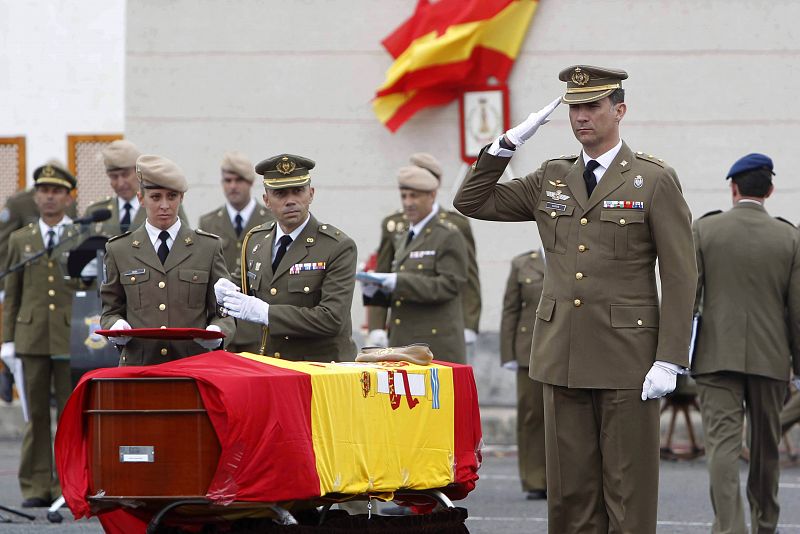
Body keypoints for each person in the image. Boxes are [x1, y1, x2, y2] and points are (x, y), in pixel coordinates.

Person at [453, 65, 696, 533]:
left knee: (627, 495)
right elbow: (471, 201)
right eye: (574, 108)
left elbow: (681, 274)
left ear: (619, 110)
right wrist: (507, 144)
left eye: (592, 106)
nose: (581, 116)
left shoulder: (652, 179)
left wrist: (670, 357)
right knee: (570, 498)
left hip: (627, 359)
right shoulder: (553, 176)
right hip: (561, 353)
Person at [691, 153, 800, 534]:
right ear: (770, 190)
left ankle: (730, 528)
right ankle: (765, 523)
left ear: (733, 188)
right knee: (766, 448)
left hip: (715, 357)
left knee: (721, 447)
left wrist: (676, 356)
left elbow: (688, 298)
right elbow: (797, 312)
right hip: (771, 359)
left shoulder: (705, 230)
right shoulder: (790, 237)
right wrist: (798, 367)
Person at [216, 154, 357, 362]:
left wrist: (266, 313)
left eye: (298, 191)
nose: (290, 201)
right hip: (271, 364)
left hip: (319, 368)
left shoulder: (337, 246)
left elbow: (332, 318)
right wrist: (223, 290)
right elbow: (242, 288)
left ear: (311, 194)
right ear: (266, 200)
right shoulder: (255, 240)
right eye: (280, 193)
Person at [100, 154, 235, 365]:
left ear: (182, 198)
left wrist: (218, 331)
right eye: (156, 197)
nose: (164, 205)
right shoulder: (120, 249)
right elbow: (110, 310)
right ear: (141, 198)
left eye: (171, 196)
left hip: (193, 364)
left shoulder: (207, 247)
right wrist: (116, 325)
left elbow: (224, 311)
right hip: (141, 366)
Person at [0, 163, 80, 507]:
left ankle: (66, 486)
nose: (49, 197)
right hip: (30, 336)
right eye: (44, 191)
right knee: (35, 415)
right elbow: (12, 292)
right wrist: (7, 340)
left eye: (57, 191)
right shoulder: (21, 239)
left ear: (68, 198)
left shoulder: (79, 235)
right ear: (35, 197)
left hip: (69, 337)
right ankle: (35, 486)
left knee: (69, 416)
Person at [364, 153, 480, 349]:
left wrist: (470, 323)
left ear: (433, 188)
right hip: (402, 330)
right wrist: (376, 325)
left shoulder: (453, 227)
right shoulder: (397, 226)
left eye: (416, 191)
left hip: (437, 331)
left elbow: (466, 279)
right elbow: (384, 273)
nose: (409, 201)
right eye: (405, 194)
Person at [198, 151, 273, 353]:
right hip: (222, 323)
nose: (232, 186)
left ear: (250, 182)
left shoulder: (270, 220)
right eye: (227, 180)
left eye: (239, 180)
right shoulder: (208, 222)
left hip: (258, 326)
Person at [500, 249, 546, 500]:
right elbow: (511, 309)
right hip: (529, 351)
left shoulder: (575, 254)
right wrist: (508, 353)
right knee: (532, 416)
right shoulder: (522, 263)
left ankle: (567, 480)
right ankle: (535, 479)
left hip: (567, 348)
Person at [85, 139, 188, 237]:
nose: (120, 183)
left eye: (125, 175)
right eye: (114, 177)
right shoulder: (96, 212)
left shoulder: (165, 207)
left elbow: (184, 241)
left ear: (138, 173)